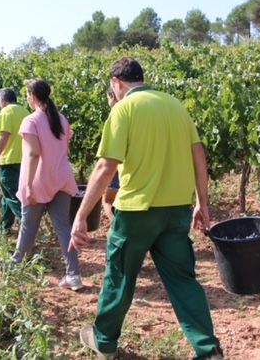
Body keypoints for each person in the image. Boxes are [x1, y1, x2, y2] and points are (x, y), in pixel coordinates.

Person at [69, 58, 223, 360]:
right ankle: (208, 350)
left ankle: (104, 342)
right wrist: (202, 204)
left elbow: (105, 166)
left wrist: (81, 215)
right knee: (183, 281)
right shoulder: (176, 106)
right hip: (176, 211)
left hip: (137, 212)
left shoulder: (123, 109)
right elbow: (199, 155)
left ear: (117, 82)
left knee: (120, 277)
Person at [10, 79, 83, 291]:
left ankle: (14, 266)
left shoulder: (31, 121)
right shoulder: (61, 119)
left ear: (32, 96)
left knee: (28, 225)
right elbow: (65, 150)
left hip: (39, 180)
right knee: (63, 228)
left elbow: (32, 154)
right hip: (61, 177)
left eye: (27, 94)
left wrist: (30, 185)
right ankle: (74, 275)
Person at [0, 88, 29, 235]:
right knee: (8, 197)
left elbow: (4, 135)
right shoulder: (25, 112)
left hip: (8, 160)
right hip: (24, 160)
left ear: (3, 100)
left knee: (13, 196)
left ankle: (29, 229)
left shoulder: (6, 112)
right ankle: (4, 227)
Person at [101, 88, 119, 220]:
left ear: (112, 97)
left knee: (107, 201)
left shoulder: (116, 114)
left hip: (115, 166)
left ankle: (115, 225)